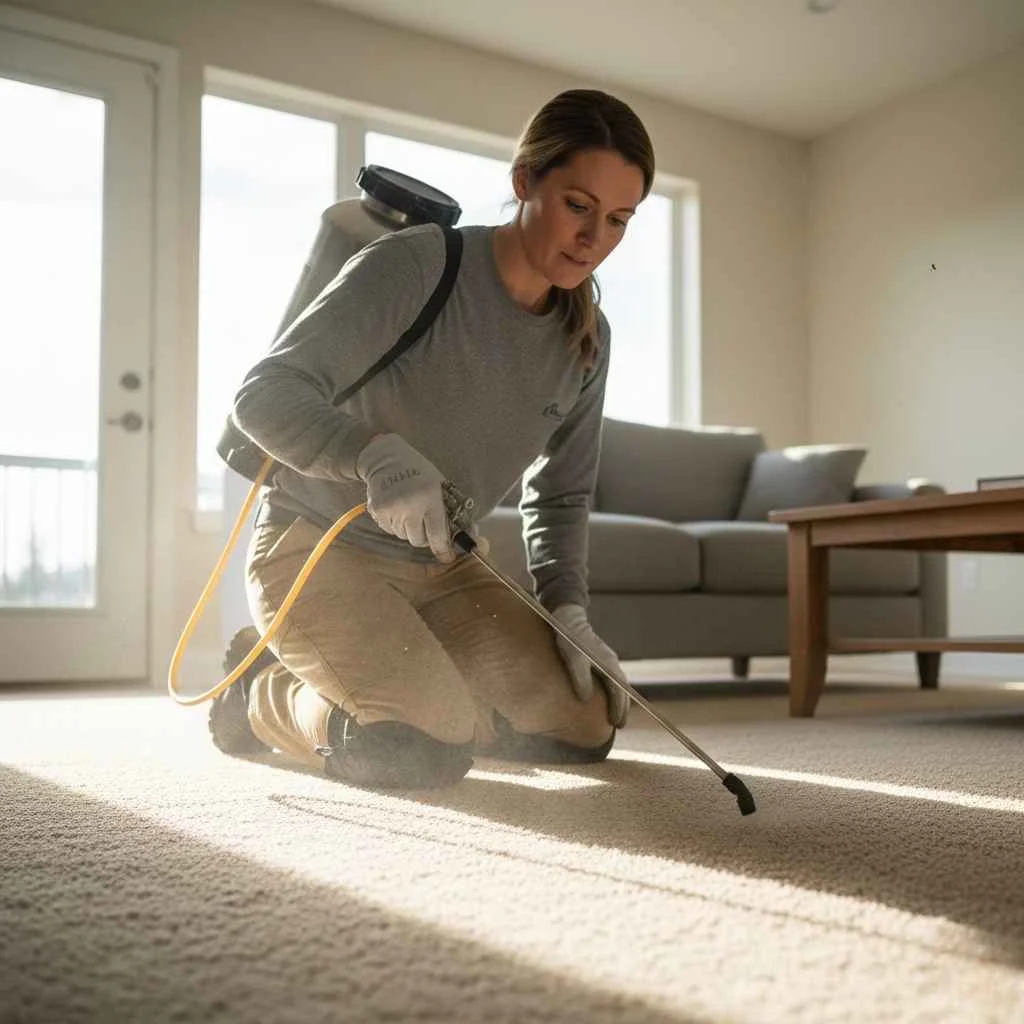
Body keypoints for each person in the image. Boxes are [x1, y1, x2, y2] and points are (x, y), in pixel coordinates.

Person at [209, 88, 656, 789]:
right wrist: (369, 455)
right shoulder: (419, 264)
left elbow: (561, 496)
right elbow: (261, 396)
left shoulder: (588, 342)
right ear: (525, 182)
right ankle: (262, 689)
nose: (594, 238)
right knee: (417, 746)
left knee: (585, 725)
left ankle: (412, 690)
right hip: (317, 544)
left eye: (619, 220)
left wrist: (568, 609)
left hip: (446, 568)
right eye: (578, 205)